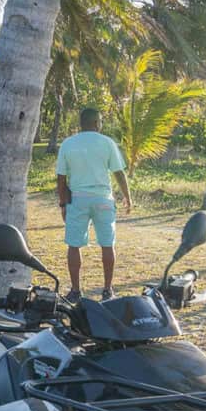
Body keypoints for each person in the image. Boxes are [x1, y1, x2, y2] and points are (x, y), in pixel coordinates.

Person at [54, 107, 133, 299]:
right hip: (103, 199)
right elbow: (119, 173)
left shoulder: (68, 144)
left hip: (78, 200)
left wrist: (63, 204)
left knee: (74, 245)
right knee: (107, 245)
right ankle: (107, 290)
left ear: (81, 123)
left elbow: (61, 178)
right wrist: (128, 197)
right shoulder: (107, 142)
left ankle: (75, 290)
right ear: (97, 123)